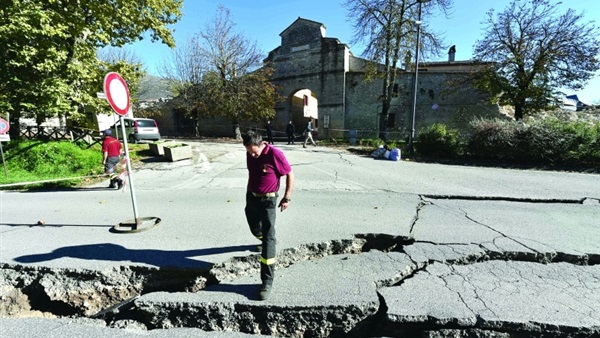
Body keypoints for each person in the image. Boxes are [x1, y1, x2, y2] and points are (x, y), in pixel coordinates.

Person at [242, 130, 294, 300]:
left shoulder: (275, 154)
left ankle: (267, 281)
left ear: (262, 144)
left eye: (253, 151)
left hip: (268, 201)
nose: (251, 154)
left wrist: (287, 197)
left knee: (269, 240)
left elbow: (289, 174)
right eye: (248, 151)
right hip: (252, 197)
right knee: (252, 223)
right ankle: (263, 238)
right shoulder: (251, 153)